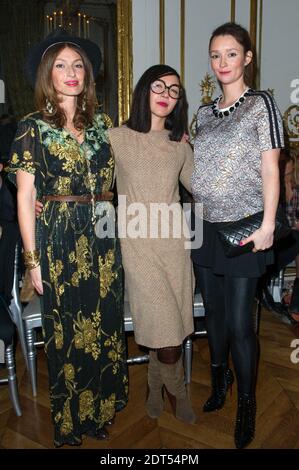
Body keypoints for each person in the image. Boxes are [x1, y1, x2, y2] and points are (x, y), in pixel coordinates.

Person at [7, 30, 128, 447]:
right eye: (60, 65)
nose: (71, 72)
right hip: (59, 240)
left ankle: (100, 412)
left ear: (87, 74)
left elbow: (127, 169)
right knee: (69, 330)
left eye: (78, 65)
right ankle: (71, 421)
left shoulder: (103, 125)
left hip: (103, 235)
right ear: (48, 74)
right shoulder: (31, 128)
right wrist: (32, 259)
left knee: (106, 325)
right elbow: (25, 198)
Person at [191, 22, 284, 448]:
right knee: (213, 318)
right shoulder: (204, 113)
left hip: (247, 227)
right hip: (205, 229)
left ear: (247, 58)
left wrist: (267, 224)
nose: (222, 62)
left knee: (240, 324)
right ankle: (219, 383)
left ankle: (246, 404)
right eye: (215, 55)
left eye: (231, 53)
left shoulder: (261, 105)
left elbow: (270, 168)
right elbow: (194, 169)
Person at [108, 65, 196, 424]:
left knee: (172, 323)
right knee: (165, 326)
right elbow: (91, 180)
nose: (166, 94)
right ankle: (178, 391)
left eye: (174, 91)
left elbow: (203, 186)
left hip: (175, 243)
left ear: (178, 101)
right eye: (159, 86)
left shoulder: (179, 144)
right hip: (137, 244)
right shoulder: (116, 137)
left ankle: (154, 383)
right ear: (144, 90)